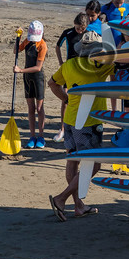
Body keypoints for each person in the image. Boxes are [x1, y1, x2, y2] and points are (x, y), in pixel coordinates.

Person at [47, 36, 109, 219]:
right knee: (94, 165)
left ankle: (79, 206)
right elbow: (121, 61)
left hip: (70, 118)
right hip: (89, 122)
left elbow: (52, 84)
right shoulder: (99, 67)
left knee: (73, 161)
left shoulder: (69, 64)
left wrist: (65, 98)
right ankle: (61, 198)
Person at [13, 21, 49, 148]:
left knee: (39, 109)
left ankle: (41, 137)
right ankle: (32, 136)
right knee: (30, 108)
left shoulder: (42, 45)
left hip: (37, 78)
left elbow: (38, 68)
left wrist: (21, 70)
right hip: (27, 78)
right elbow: (16, 50)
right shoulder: (27, 41)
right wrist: (19, 37)